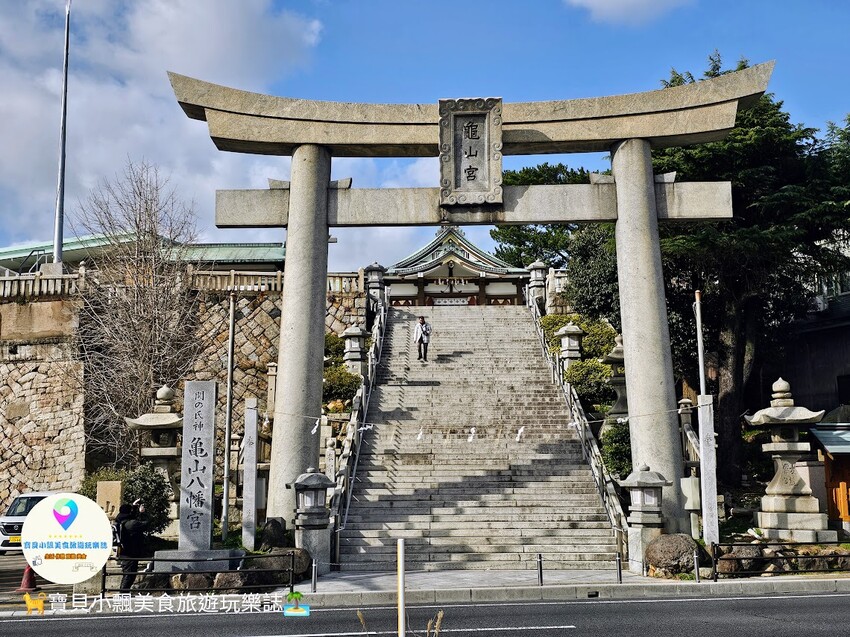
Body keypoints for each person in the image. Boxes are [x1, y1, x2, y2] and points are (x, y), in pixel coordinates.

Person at [115, 499, 150, 592]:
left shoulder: (120, 521)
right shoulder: (132, 524)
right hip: (131, 553)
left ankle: (123, 592)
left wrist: (134, 507)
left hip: (123, 551)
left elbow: (131, 517)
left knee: (127, 573)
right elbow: (146, 524)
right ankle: (123, 594)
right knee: (129, 575)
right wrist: (143, 513)